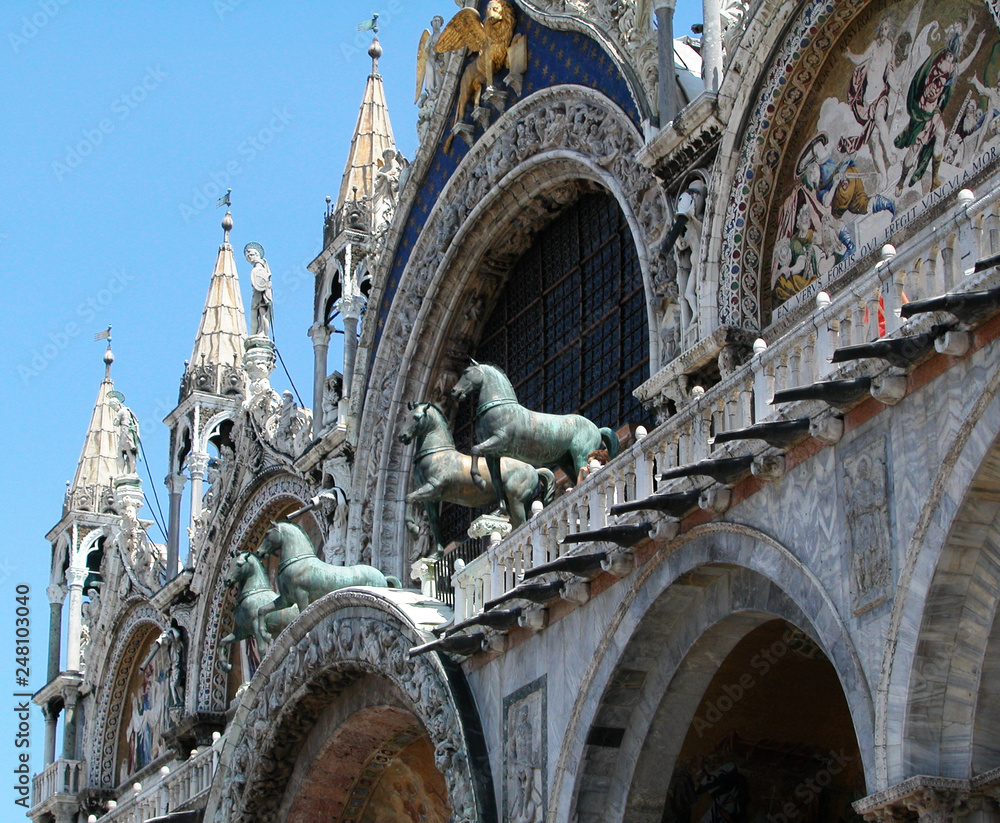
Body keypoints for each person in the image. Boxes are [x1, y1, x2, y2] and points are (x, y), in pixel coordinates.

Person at [244, 242, 273, 338]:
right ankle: (255, 332)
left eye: (251, 255)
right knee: (255, 312)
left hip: (262, 294)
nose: (249, 258)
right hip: (257, 293)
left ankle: (263, 332)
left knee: (262, 312)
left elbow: (264, 282)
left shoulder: (260, 269)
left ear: (257, 255)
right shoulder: (258, 268)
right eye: (248, 257)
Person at [109, 391, 140, 475]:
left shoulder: (122, 411)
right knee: (126, 453)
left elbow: (115, 423)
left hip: (125, 433)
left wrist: (116, 418)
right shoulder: (127, 410)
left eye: (113, 406)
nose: (114, 409)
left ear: (117, 404)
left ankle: (127, 471)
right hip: (126, 433)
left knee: (124, 453)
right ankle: (129, 471)